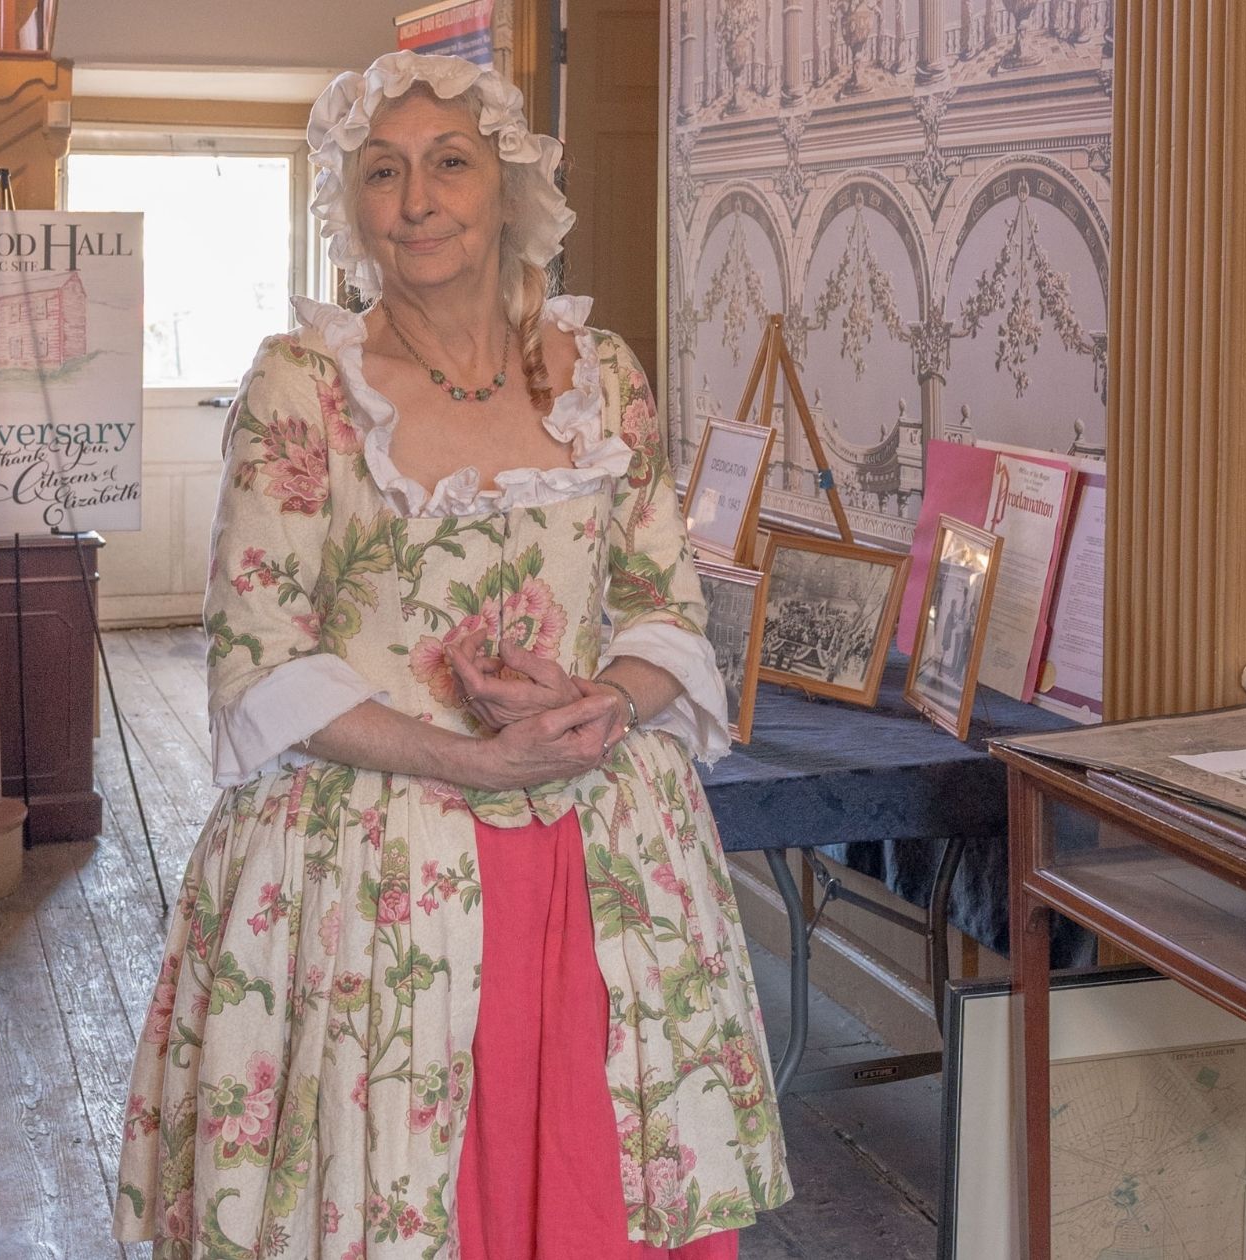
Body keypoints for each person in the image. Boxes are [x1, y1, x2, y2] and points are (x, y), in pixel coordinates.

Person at [115, 51, 790, 1260]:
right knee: (395, 1195)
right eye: (383, 172)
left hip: (600, 856)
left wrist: (601, 700)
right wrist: (471, 761)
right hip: (376, 865)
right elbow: (259, 652)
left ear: (510, 189)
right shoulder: (303, 386)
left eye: (450, 164)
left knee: (597, 1183)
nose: (417, 200)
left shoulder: (606, 378)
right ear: (352, 205)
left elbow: (665, 608)